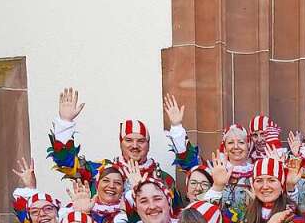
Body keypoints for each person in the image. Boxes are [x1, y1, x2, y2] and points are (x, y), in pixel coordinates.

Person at [47, 88, 198, 208]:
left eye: (141, 141)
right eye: (128, 140)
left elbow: (195, 171)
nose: (134, 146)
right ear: (120, 143)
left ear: (148, 144)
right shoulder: (100, 171)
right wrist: (65, 123)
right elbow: (66, 164)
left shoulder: (164, 179)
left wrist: (177, 129)